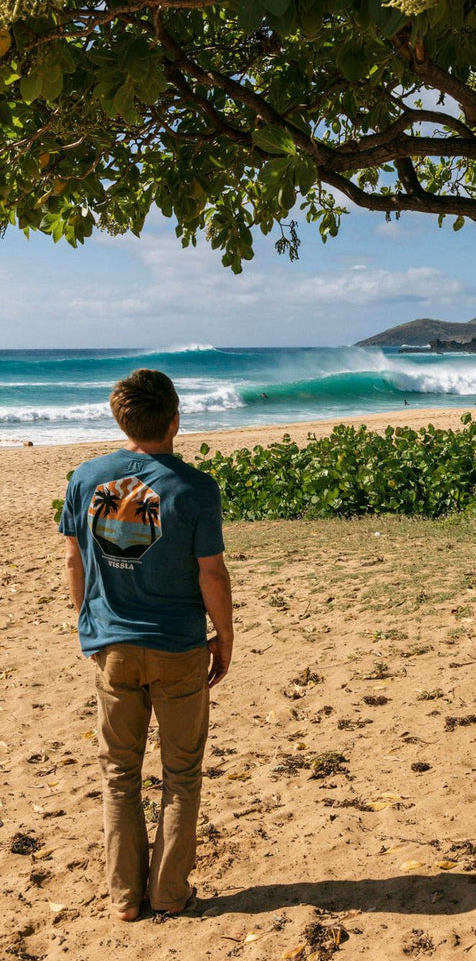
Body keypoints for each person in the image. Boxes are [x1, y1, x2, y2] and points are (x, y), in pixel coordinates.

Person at [59, 369, 234, 919]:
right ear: (176, 419)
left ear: (120, 419)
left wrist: (90, 625)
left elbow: (73, 561)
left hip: (113, 647)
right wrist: (223, 638)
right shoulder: (196, 487)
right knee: (181, 775)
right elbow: (212, 575)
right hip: (179, 648)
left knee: (119, 775)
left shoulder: (86, 479)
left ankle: (124, 898)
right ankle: (168, 893)